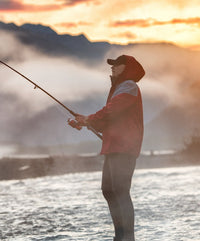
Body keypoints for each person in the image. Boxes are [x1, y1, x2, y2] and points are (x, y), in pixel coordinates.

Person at [74, 55, 145, 241]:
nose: (112, 67)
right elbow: (108, 119)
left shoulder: (129, 86)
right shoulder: (119, 88)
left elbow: (112, 110)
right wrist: (84, 122)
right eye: (112, 65)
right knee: (108, 190)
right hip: (113, 146)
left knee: (120, 190)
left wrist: (88, 119)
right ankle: (120, 236)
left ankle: (127, 237)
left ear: (126, 67)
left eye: (116, 65)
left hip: (124, 146)